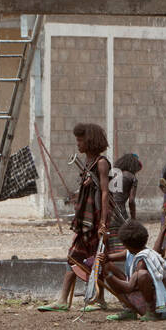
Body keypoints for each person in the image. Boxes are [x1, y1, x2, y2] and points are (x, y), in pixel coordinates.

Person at [39, 122, 113, 312]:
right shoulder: (87, 164)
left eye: (80, 140)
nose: (78, 144)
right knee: (75, 256)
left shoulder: (101, 163)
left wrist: (103, 222)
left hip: (96, 220)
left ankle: (98, 299)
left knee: (97, 258)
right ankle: (64, 299)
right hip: (84, 221)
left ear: (89, 141)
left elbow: (105, 192)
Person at [101, 219, 166, 321]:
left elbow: (128, 288)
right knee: (108, 265)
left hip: (152, 304)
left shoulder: (142, 261)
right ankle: (130, 311)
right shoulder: (132, 252)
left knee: (141, 274)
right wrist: (103, 240)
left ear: (127, 245)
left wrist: (108, 275)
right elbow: (108, 258)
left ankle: (150, 312)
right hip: (137, 291)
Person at [108, 152, 143, 235]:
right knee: (125, 235)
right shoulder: (132, 177)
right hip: (120, 211)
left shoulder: (114, 174)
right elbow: (131, 200)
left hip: (107, 209)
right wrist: (133, 218)